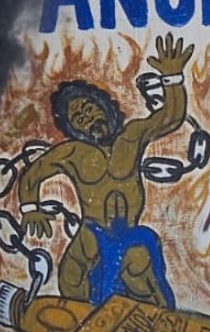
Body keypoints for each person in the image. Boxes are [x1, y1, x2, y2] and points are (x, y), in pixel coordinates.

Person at [17, 33, 194, 309]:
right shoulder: (73, 153)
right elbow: (34, 173)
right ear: (74, 129)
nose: (87, 119)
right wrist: (30, 208)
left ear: (103, 106)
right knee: (71, 279)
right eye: (79, 119)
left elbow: (171, 117)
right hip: (90, 235)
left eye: (89, 109)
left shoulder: (131, 136)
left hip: (129, 236)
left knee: (142, 276)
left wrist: (172, 78)